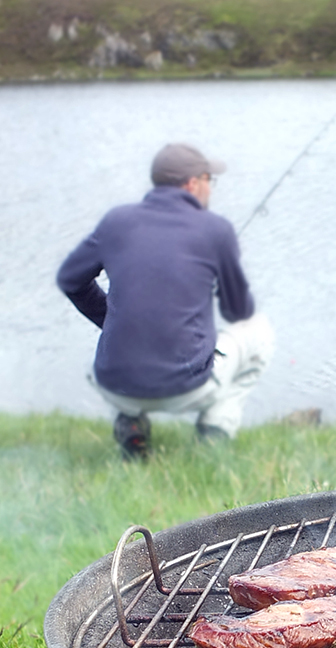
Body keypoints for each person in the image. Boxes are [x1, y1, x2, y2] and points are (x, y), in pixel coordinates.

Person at [57, 142, 274, 459]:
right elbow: (238, 310)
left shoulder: (116, 222)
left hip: (117, 384)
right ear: (191, 184)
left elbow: (70, 279)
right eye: (208, 180)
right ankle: (215, 429)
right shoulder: (216, 230)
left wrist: (111, 320)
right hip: (187, 387)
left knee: (129, 347)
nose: (210, 189)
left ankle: (131, 424)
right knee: (258, 334)